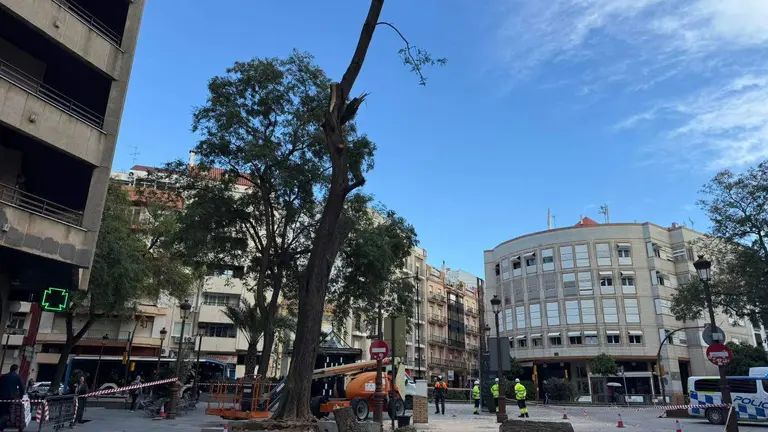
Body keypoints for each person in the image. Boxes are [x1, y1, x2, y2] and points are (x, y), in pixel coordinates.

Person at [0, 364, 25, 431]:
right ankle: (0, 425)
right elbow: (22, 388)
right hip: (9, 397)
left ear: (10, 369)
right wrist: (21, 396)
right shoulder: (17, 377)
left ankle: (1, 426)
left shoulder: (4, 376)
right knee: (6, 413)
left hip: (1, 396)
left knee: (1, 411)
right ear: (16, 370)